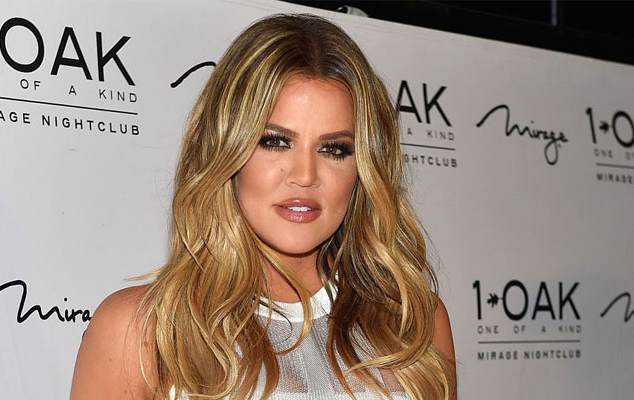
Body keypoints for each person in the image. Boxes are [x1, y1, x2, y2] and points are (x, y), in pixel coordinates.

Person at [70, 13, 456, 400]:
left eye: (334, 149)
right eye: (275, 142)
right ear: (226, 150)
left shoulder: (412, 325)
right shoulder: (145, 331)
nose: (305, 175)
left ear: (364, 167)